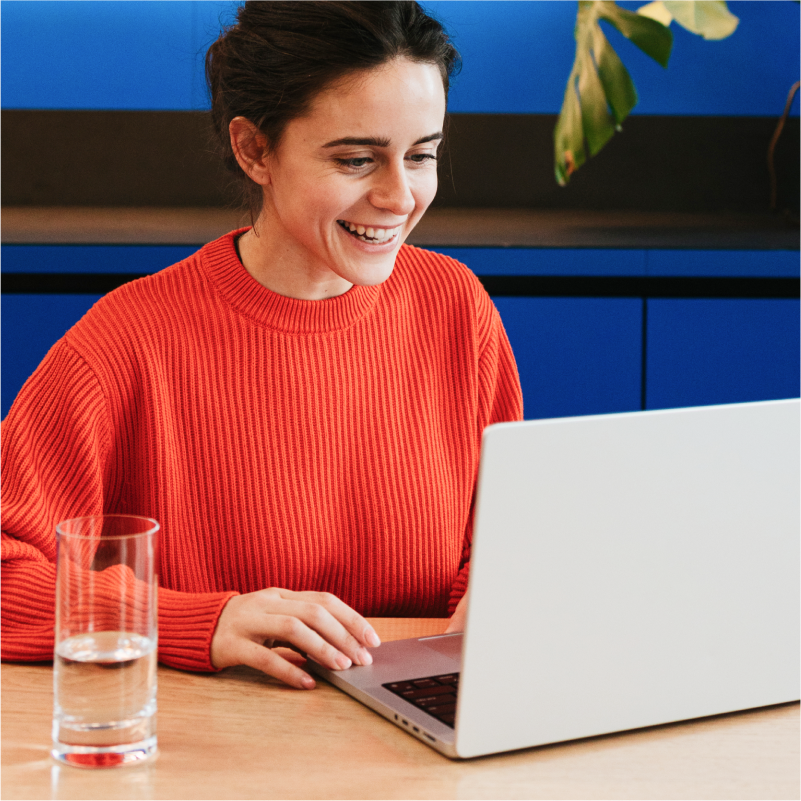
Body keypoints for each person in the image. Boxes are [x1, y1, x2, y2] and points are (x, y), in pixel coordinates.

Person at [0, 0, 522, 689]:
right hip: (214, 752)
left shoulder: (456, 307)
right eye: (358, 159)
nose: (400, 196)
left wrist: (493, 590)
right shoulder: (122, 344)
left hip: (417, 744)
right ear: (255, 150)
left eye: (421, 155)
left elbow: (500, 538)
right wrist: (198, 621)